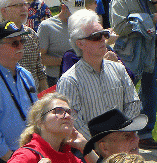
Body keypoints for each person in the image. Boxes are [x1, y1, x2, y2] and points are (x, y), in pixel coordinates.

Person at [56, 9, 141, 140]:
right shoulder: (69, 81)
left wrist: (121, 133)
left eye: (104, 34)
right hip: (90, 152)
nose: (103, 40)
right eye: (96, 37)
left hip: (121, 143)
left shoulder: (118, 69)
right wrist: (103, 141)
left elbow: (133, 103)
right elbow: (73, 121)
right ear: (80, 43)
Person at [109, 0, 157, 149]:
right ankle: (120, 135)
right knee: (124, 96)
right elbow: (119, 27)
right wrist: (147, 21)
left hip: (151, 53)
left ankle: (145, 134)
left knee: (150, 94)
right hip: (130, 55)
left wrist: (156, 0)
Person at [7, 92, 99, 163]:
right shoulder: (27, 156)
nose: (67, 116)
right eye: (58, 111)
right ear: (40, 120)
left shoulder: (68, 156)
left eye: (69, 112)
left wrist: (85, 147)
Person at [0, 21, 39, 162]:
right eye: (14, 43)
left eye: (21, 41)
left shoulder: (26, 75)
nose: (21, 46)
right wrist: (10, 157)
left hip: (33, 152)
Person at [38, 0, 86, 87]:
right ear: (63, 8)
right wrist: (67, 61)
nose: (77, 16)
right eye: (74, 12)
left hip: (83, 76)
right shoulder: (47, 26)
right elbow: (40, 58)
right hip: (56, 79)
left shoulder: (85, 23)